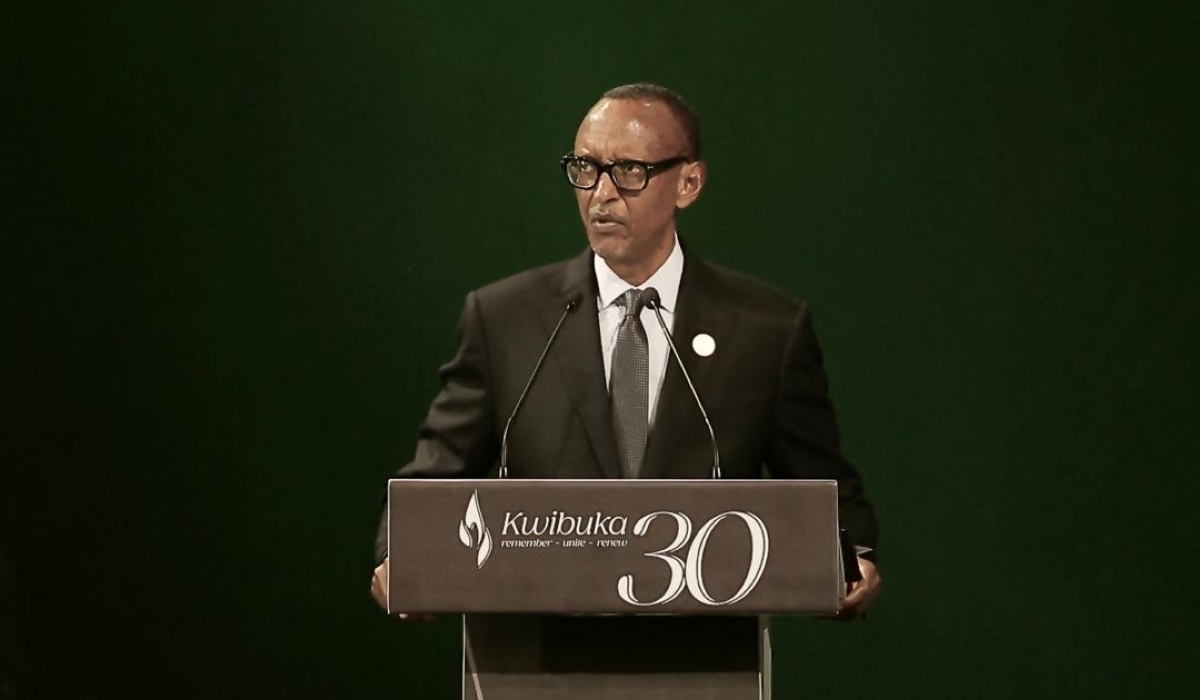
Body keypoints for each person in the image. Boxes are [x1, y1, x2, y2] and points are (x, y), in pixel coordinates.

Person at [371, 83, 881, 619]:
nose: (601, 194)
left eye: (629, 171)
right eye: (585, 168)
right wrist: (399, 552)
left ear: (688, 183)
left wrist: (856, 558)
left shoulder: (766, 330)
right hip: (535, 657)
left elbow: (829, 495)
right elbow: (432, 478)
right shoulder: (505, 321)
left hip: (702, 657)